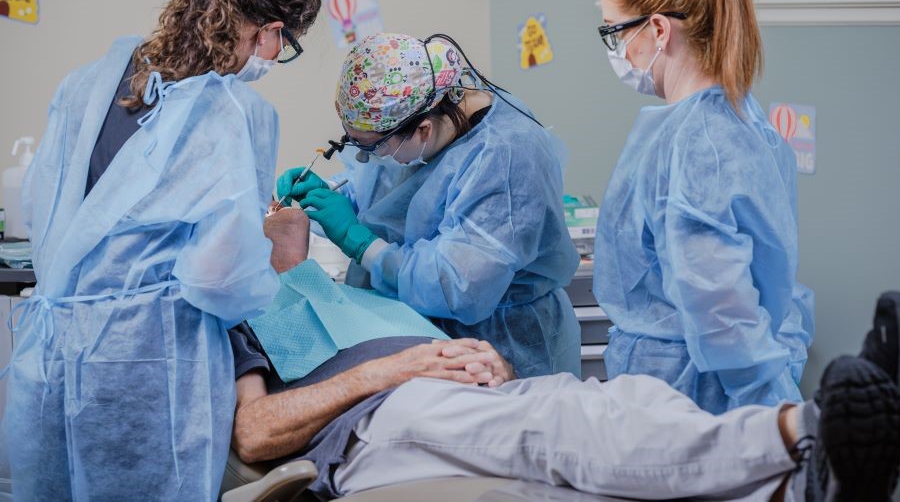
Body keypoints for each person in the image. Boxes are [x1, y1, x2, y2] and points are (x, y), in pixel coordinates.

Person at [230, 221, 900, 501]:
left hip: (453, 395)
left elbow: (307, 275)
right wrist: (396, 369)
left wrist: (488, 362)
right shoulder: (238, 315)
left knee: (626, 401)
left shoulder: (342, 288)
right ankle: (802, 427)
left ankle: (800, 487)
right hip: (377, 422)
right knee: (568, 434)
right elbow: (255, 432)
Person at [2, 0, 323, 501]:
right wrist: (268, 253)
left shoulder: (87, 83)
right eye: (286, 44)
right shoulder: (232, 113)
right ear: (270, 30)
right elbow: (219, 282)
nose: (278, 58)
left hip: (53, 355)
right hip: (149, 367)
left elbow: (40, 205)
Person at [592, 0, 815, 414]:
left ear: (656, 29)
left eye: (613, 31)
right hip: (683, 388)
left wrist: (774, 415)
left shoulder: (700, 145)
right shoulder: (737, 120)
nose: (613, 49)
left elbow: (722, 312)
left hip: (687, 400)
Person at [276, 32, 582, 379]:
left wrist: (358, 241)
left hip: (502, 352)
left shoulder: (507, 159)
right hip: (415, 341)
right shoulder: (423, 131)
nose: (363, 158)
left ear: (421, 130)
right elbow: (388, 199)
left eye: (371, 147)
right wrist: (331, 194)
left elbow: (455, 287)